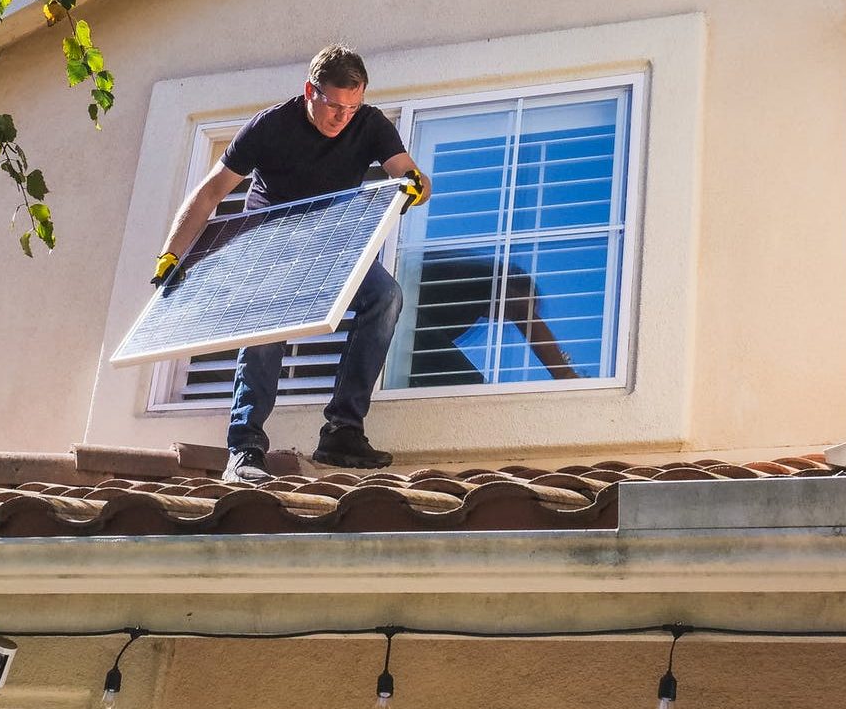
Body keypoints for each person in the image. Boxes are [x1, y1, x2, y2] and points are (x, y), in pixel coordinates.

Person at [151, 46, 429, 484]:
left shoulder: (369, 124)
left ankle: (343, 430)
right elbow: (209, 193)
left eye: (351, 107)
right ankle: (244, 449)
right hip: (271, 244)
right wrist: (172, 253)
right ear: (310, 92)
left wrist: (415, 187)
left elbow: (409, 174)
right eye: (334, 106)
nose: (342, 117)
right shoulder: (271, 126)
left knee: (386, 295)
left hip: (333, 243)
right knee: (267, 324)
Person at [407, 249, 586, 386]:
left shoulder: (466, 290)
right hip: (406, 316)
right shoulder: (484, 278)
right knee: (474, 392)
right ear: (513, 286)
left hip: (408, 322)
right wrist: (565, 374)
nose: (504, 319)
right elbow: (522, 313)